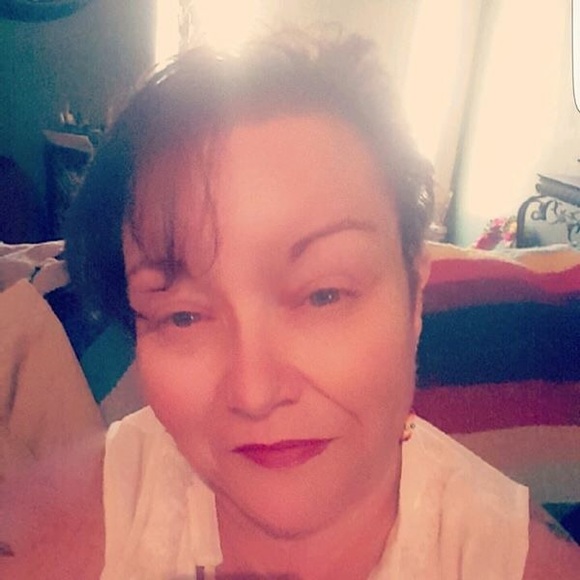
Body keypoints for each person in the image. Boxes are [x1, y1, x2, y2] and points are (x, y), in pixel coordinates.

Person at [2, 27, 579, 580]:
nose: (255, 393)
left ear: (413, 296)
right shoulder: (63, 520)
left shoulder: (516, 560)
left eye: (323, 295)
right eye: (184, 316)